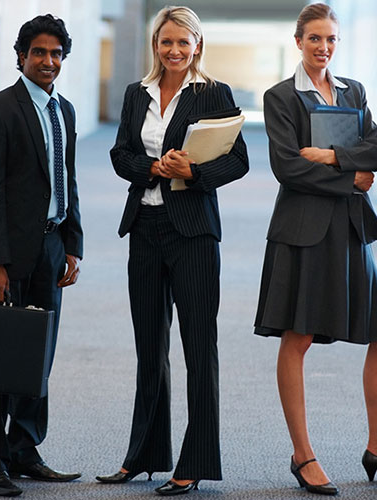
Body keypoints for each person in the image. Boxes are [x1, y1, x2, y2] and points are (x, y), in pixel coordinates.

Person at [253, 3, 377, 496]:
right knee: (297, 339)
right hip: (302, 231)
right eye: (315, 38)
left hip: (348, 232)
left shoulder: (353, 91)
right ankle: (303, 456)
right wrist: (352, 177)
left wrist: (332, 155)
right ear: (298, 41)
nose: (324, 47)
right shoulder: (281, 97)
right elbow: (287, 168)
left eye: (331, 39)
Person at [98, 6, 248, 496]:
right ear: (155, 45)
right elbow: (120, 153)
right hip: (144, 224)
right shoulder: (134, 93)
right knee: (150, 347)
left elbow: (238, 160)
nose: (175, 51)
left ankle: (195, 461)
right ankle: (143, 455)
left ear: (198, 45)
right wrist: (151, 169)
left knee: (198, 347)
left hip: (194, 232)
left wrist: (190, 172)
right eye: (166, 43)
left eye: (184, 43)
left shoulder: (213, 93)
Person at [0, 14, 84, 497]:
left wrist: (73, 244)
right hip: (8, 253)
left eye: (56, 53)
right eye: (39, 52)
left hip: (52, 244)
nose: (48, 61)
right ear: (20, 56)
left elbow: (66, 181)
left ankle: (24, 448)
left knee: (39, 355)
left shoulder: (66, 111)